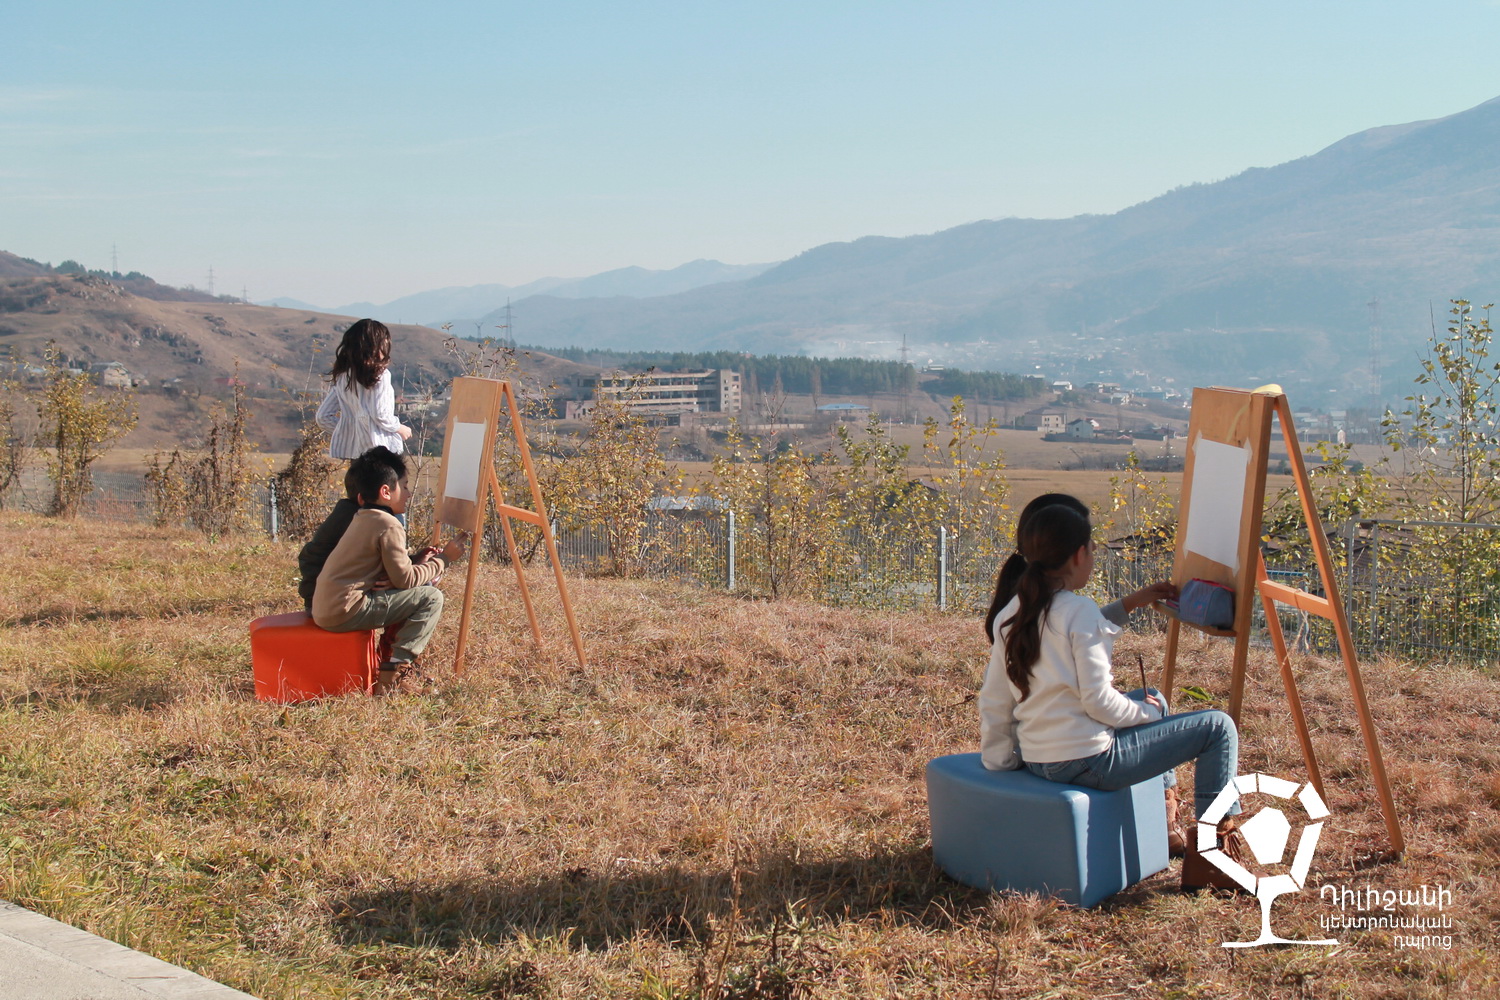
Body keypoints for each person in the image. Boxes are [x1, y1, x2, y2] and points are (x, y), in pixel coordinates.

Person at [978, 501, 1243, 876]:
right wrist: (1147, 713)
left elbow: (995, 700)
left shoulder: (1013, 613)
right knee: (1218, 727)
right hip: (1089, 761)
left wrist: (1000, 761)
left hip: (1040, 760)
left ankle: (1164, 825)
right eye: (1092, 548)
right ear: (1079, 555)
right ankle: (1214, 860)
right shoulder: (1079, 611)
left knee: (1154, 698)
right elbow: (1100, 703)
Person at [313, 447, 467, 695]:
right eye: (404, 487)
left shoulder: (365, 516)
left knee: (418, 592)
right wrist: (445, 559)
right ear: (386, 492)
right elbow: (405, 579)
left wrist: (415, 561)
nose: (408, 493)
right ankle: (394, 676)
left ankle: (393, 667)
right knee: (430, 597)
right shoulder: (389, 524)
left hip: (328, 608)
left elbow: (390, 570)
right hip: (345, 611)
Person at [315, 318, 413, 460]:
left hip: (355, 455)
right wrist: (399, 428)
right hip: (381, 451)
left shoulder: (343, 377)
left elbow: (323, 417)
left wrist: (350, 431)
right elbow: (380, 414)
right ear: (378, 345)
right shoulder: (381, 375)